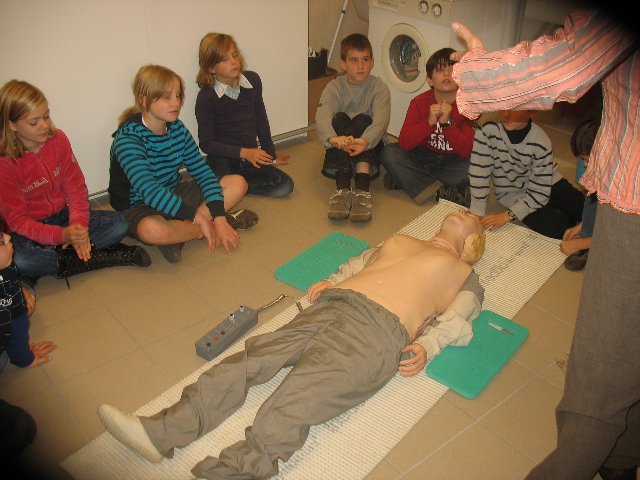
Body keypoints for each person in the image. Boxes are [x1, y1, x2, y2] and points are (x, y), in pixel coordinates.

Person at [97, 210, 486, 479]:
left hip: (377, 334)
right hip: (333, 305)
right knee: (249, 361)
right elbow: (362, 262)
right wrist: (335, 279)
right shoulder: (401, 239)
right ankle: (159, 433)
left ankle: (233, 473)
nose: (464, 211)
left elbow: (458, 320)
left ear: (473, 243)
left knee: (297, 399)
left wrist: (429, 345)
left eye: (470, 216)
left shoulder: (465, 273)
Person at [451, 10, 639, 480]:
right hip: (598, 192)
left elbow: (567, 64)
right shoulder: (488, 136)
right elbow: (479, 176)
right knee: (563, 223)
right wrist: (475, 214)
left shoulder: (536, 140)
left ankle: (584, 231)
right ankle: (620, 459)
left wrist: (480, 71)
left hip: (568, 190)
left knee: (570, 207)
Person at [0, 80, 151, 299]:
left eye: (46, 116)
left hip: (63, 216)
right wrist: (62, 235)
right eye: (34, 122)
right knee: (20, 258)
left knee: (120, 223)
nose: (44, 125)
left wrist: (78, 227)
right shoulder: (5, 163)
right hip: (30, 229)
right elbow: (17, 222)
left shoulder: (58, 139)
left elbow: (76, 188)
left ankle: (47, 267)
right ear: (12, 125)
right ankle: (102, 256)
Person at [109, 65, 258, 264]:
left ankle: (182, 234)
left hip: (172, 191)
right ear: (143, 100)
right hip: (138, 205)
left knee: (238, 183)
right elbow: (150, 193)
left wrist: (218, 218)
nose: (176, 103)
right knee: (151, 230)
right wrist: (199, 217)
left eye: (178, 95)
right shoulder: (128, 140)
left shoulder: (177, 129)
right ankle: (202, 227)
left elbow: (202, 173)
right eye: (166, 97)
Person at [195, 33, 294, 198]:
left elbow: (261, 120)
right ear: (211, 68)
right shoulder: (206, 97)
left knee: (285, 185)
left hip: (249, 158)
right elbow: (206, 144)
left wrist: (270, 156)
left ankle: (238, 186)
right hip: (222, 158)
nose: (233, 62)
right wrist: (243, 152)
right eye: (224, 59)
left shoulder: (252, 80)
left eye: (234, 55)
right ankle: (233, 185)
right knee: (220, 188)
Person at [468, 109, 584, 239]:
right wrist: (476, 212)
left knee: (586, 209)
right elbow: (478, 174)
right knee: (555, 228)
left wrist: (507, 216)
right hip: (515, 193)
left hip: (549, 183)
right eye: (504, 108)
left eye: (515, 109)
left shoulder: (540, 140)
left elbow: (541, 190)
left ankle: (570, 218)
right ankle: (568, 220)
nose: (506, 114)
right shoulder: (486, 132)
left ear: (532, 112)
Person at [381, 47, 475, 207]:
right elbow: (404, 142)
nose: (446, 74)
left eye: (452, 69)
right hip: (423, 157)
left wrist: (447, 124)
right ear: (430, 80)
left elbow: (467, 150)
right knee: (389, 153)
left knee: (476, 164)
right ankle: (442, 191)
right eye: (439, 70)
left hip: (452, 161)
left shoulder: (469, 105)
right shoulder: (419, 103)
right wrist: (428, 122)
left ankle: (413, 182)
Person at [315, 33, 391, 223]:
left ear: (372, 62)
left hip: (370, 145)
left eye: (365, 59)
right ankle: (342, 191)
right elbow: (323, 114)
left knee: (363, 119)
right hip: (342, 143)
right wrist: (333, 139)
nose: (360, 66)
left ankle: (362, 191)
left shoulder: (379, 88)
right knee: (339, 118)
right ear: (343, 64)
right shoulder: (334, 86)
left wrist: (364, 141)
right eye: (354, 60)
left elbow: (381, 120)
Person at [560, 117, 601, 271]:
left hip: (624, 237)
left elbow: (618, 235)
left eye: (587, 159)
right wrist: (581, 227)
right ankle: (589, 237)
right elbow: (593, 207)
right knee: (591, 195)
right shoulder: (598, 176)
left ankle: (591, 244)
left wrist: (580, 244)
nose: (584, 164)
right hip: (604, 228)